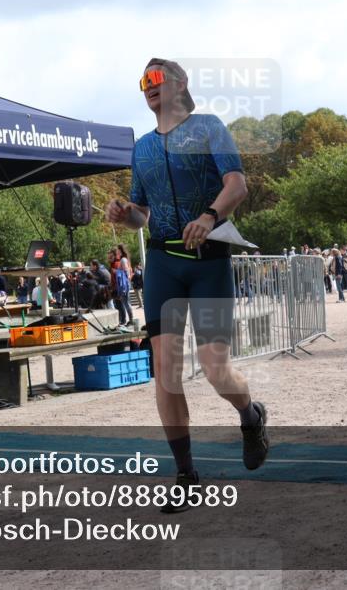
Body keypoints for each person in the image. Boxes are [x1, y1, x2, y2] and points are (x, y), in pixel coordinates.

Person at [105, 57, 268, 511]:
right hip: (163, 264)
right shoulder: (142, 148)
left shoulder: (209, 127)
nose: (148, 87)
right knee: (167, 371)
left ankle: (250, 416)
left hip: (209, 259)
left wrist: (209, 215)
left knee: (216, 368)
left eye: (155, 79)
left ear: (180, 84)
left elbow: (237, 185)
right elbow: (142, 214)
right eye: (143, 82)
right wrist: (123, 213)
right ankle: (186, 474)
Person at [111, 245, 135, 326]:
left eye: (117, 250)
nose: (116, 252)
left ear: (120, 251)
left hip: (124, 285)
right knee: (126, 303)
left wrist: (116, 271)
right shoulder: (124, 259)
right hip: (125, 284)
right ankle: (131, 320)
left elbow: (126, 271)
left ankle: (131, 321)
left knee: (126, 303)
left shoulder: (123, 260)